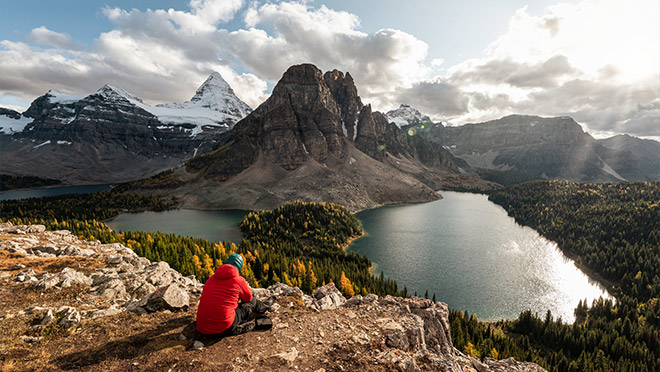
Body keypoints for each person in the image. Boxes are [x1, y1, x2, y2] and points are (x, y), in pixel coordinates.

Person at [196, 253, 271, 338]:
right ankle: (265, 307)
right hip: (223, 328)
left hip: (202, 328)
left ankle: (232, 326)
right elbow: (248, 299)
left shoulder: (211, 279)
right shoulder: (239, 280)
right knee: (252, 301)